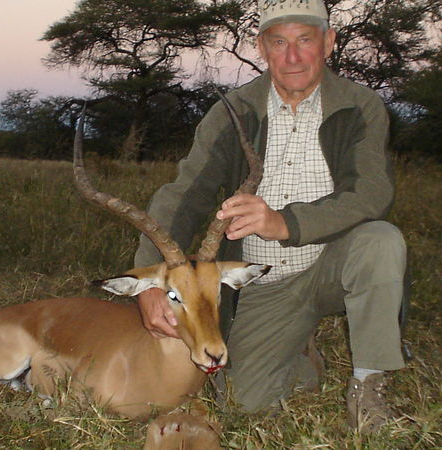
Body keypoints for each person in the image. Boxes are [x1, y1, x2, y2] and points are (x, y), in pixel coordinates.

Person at [134, 0, 407, 434]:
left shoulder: (360, 105)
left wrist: (285, 223)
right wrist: (150, 281)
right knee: (244, 402)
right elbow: (184, 195)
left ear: (328, 43)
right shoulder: (234, 110)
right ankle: (302, 356)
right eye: (279, 43)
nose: (292, 56)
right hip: (264, 284)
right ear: (261, 48)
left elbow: (371, 193)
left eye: (305, 40)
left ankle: (368, 386)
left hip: (333, 264)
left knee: (381, 240)